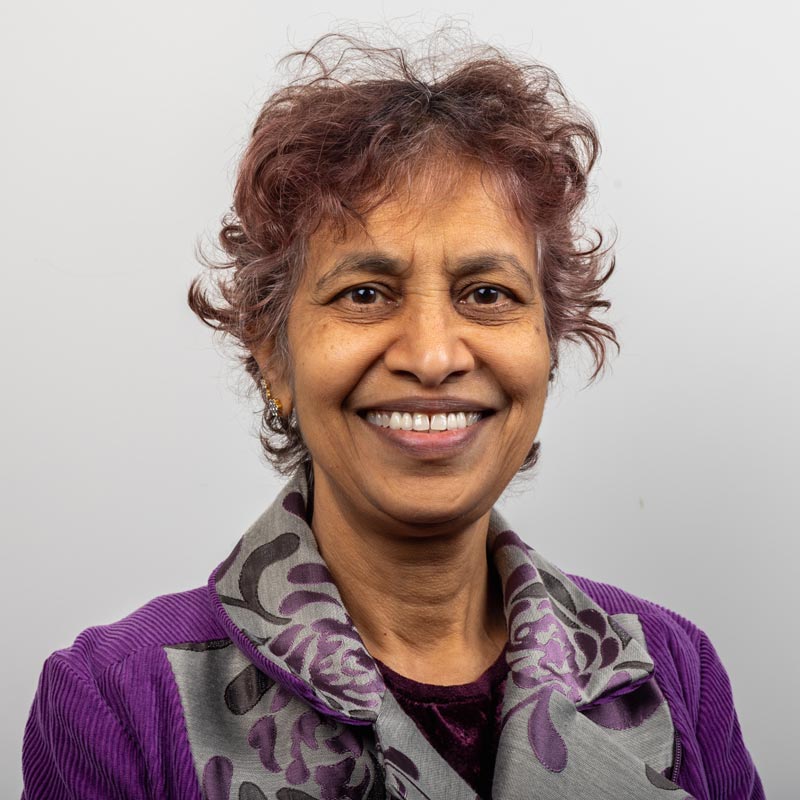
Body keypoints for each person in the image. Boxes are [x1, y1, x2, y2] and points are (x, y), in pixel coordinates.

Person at [21, 30, 763, 800]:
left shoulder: (673, 671)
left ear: (547, 344)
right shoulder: (119, 702)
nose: (435, 356)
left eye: (488, 294)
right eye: (364, 294)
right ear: (273, 355)